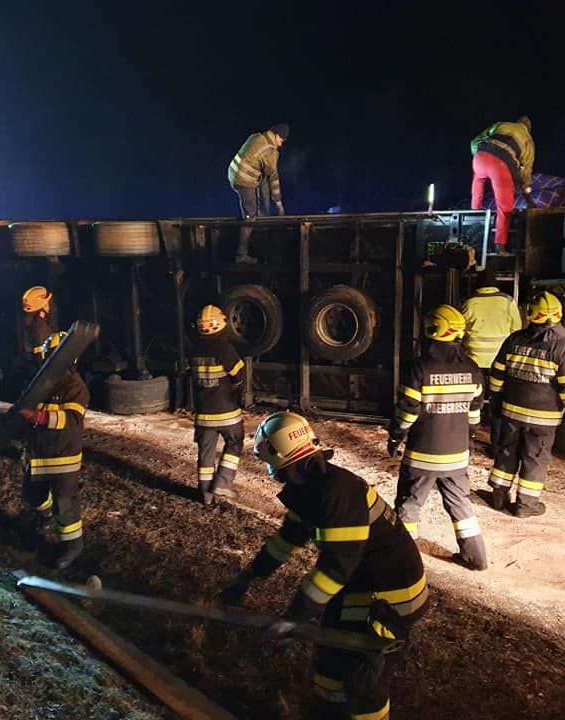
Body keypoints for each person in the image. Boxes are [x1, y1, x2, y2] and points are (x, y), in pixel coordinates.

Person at [219, 411, 428, 719]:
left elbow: (336, 569)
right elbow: (287, 539)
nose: (269, 471)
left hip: (389, 598)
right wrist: (248, 578)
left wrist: (295, 617)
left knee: (361, 681)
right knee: (329, 663)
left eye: (268, 462)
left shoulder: (336, 495)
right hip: (360, 587)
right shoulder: (313, 487)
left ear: (280, 458)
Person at [387, 305, 487, 570]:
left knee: (409, 504)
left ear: (434, 329)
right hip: (457, 456)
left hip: (422, 455)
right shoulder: (473, 368)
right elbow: (474, 414)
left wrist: (396, 436)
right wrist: (468, 437)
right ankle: (476, 558)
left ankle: (404, 560)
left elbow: (407, 412)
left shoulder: (419, 368)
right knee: (460, 504)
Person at [486, 290, 565, 518]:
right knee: (535, 458)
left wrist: (494, 400)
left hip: (511, 412)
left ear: (531, 314)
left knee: (506, 452)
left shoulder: (514, 340)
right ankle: (526, 505)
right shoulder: (561, 347)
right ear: (558, 315)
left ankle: (498, 496)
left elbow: (497, 375)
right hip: (543, 419)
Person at [18, 289, 90, 570]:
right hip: (39, 453)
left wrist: (38, 417)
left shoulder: (76, 388)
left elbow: (70, 420)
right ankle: (44, 517)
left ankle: (72, 547)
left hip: (63, 455)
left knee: (65, 504)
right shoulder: (39, 385)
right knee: (33, 496)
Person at [191, 305, 245, 505]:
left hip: (203, 415)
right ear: (220, 323)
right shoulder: (224, 347)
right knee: (234, 443)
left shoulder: (194, 348)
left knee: (205, 453)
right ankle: (222, 484)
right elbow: (238, 376)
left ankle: (205, 494)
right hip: (227, 412)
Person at [461, 272, 523, 445]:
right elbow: (516, 329)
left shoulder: (469, 302)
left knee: (474, 401)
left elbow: (461, 330)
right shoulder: (508, 301)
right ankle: (496, 443)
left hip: (475, 360)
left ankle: (468, 439)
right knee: (497, 401)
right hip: (500, 361)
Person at [470, 116, 535, 254]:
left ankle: (473, 213)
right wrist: (527, 195)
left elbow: (475, 141)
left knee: (478, 181)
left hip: (480, 158)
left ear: (517, 122)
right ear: (528, 129)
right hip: (500, 166)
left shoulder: (501, 124)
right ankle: (500, 247)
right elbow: (526, 172)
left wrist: (480, 154)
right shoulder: (528, 140)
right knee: (505, 208)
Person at [227, 123, 289, 263]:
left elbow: (264, 176)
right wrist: (279, 204)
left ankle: (263, 216)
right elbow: (274, 178)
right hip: (244, 179)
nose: (280, 144)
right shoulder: (271, 151)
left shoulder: (256, 137)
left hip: (233, 172)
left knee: (263, 178)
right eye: (281, 141)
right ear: (277, 135)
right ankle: (241, 255)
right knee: (250, 216)